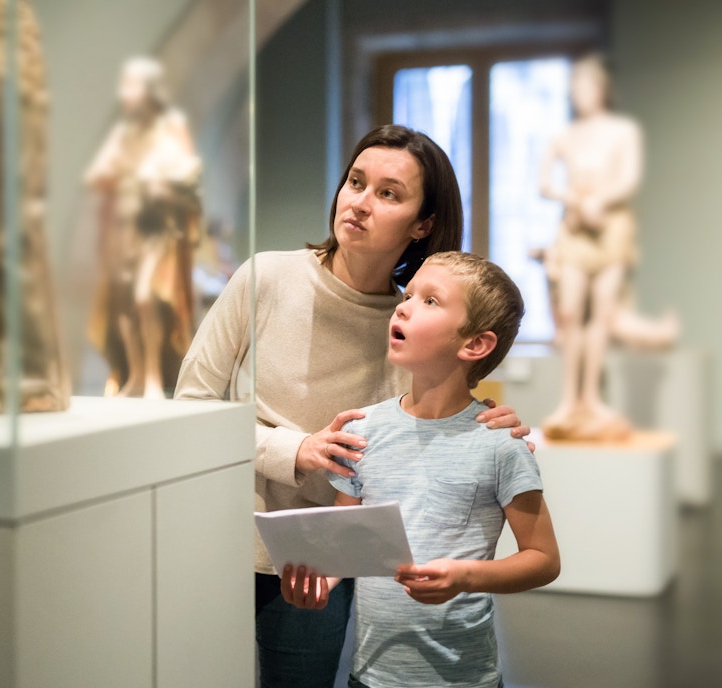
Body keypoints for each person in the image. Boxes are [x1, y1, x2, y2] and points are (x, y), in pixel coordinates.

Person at [175, 125, 531, 688]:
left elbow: (425, 422)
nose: (359, 202)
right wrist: (297, 448)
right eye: (355, 182)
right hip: (223, 531)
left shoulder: (413, 325)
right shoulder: (266, 276)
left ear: (423, 224)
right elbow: (190, 405)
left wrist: (485, 421)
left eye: (388, 193)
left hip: (322, 557)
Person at [281, 251, 561, 688]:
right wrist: (322, 580)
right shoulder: (361, 429)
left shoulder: (500, 444)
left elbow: (543, 559)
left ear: (475, 344)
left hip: (466, 678)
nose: (403, 305)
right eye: (408, 294)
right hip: (371, 675)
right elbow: (346, 541)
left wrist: (465, 576)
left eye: (430, 301)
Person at [538, 53, 674, 439]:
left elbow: (628, 178)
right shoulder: (565, 135)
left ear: (600, 89)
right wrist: (574, 199)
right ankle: (569, 399)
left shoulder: (622, 130)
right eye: (574, 88)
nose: (579, 94)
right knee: (569, 313)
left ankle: (590, 398)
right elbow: (544, 183)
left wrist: (600, 200)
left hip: (611, 225)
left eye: (585, 86)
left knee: (602, 314)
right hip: (577, 225)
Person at [87, 56, 202, 399]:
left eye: (132, 85)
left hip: (157, 226)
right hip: (126, 226)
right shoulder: (124, 133)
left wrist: (161, 182)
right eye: (125, 85)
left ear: (150, 90)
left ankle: (154, 373)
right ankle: (135, 373)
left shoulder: (170, 126)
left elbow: (188, 172)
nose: (126, 93)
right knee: (121, 303)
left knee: (144, 297)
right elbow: (99, 174)